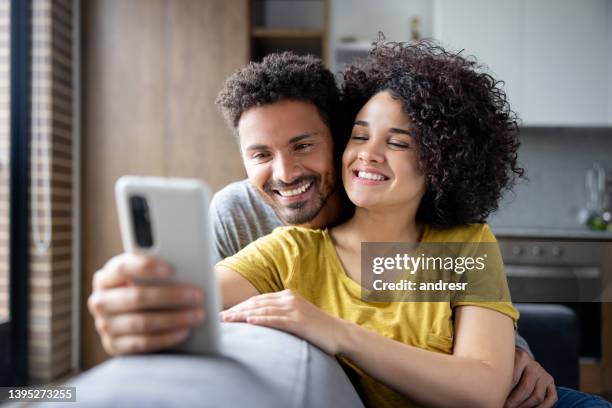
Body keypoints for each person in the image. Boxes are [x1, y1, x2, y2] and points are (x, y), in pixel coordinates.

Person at [88, 50, 564, 407]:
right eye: (260, 154)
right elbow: (191, 297)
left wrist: (511, 356)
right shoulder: (270, 236)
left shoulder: (458, 238)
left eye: (302, 146)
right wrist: (130, 297)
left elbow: (479, 374)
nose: (285, 173)